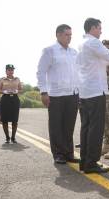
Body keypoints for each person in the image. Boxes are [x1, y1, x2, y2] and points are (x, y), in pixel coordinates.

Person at [77, 17, 109, 173]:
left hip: (85, 91)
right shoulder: (93, 42)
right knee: (95, 128)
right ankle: (91, 163)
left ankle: (84, 160)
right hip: (95, 91)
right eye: (99, 28)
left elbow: (100, 62)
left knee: (86, 127)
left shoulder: (82, 44)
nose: (101, 30)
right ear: (92, 28)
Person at [37, 24, 80, 164]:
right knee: (56, 126)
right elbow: (41, 72)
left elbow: (79, 72)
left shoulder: (74, 53)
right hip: (55, 94)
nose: (70, 37)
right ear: (58, 35)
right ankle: (58, 154)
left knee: (69, 126)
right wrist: (44, 92)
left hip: (73, 94)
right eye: (67, 35)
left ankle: (69, 153)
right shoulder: (50, 51)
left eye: (71, 35)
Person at [0, 64, 22, 143]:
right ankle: (7, 137)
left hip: (15, 99)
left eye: (12, 70)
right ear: (6, 71)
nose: (10, 71)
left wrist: (16, 91)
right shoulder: (2, 79)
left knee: (15, 120)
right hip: (5, 99)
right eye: (9, 70)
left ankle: (13, 137)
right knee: (4, 120)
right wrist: (5, 91)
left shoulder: (17, 79)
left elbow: (21, 89)